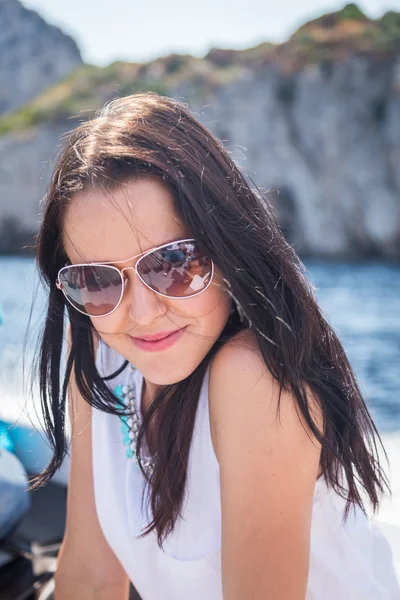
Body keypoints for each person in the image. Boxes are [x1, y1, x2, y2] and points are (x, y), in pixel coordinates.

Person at [34, 93, 400, 599]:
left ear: (228, 251)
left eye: (174, 263)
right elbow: (91, 580)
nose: (139, 313)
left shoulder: (255, 379)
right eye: (96, 280)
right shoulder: (101, 365)